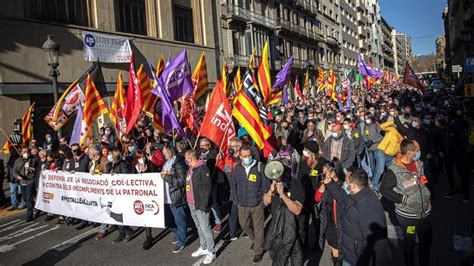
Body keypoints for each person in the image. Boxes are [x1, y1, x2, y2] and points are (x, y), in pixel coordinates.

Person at [380, 139, 432, 266]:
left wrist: (427, 196)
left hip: (425, 213)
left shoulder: (419, 164)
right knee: (410, 243)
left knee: (426, 242)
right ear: (409, 153)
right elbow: (384, 189)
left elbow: (423, 182)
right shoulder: (394, 171)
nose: (419, 152)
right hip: (408, 217)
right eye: (417, 150)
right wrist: (402, 199)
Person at [322, 167, 388, 266]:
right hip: (349, 255)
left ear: (353, 186)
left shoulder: (369, 210)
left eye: (346, 182)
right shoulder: (358, 195)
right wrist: (330, 184)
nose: (345, 184)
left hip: (357, 260)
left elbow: (378, 246)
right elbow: (344, 199)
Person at [263, 160, 305, 265]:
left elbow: (297, 210)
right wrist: (270, 192)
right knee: (278, 259)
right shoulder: (272, 184)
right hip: (278, 231)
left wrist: (283, 194)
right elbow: (265, 202)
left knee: (295, 260)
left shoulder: (296, 185)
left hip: (294, 232)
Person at [232, 146, 268, 263]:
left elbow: (265, 185)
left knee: (259, 228)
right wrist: (236, 201)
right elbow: (234, 186)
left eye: (249, 155)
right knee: (244, 225)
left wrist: (262, 201)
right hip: (242, 204)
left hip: (256, 204)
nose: (248, 158)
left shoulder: (259, 167)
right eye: (245, 156)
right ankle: (256, 239)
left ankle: (258, 250)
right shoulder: (237, 169)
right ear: (240, 156)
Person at [184, 149, 215, 264]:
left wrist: (203, 205)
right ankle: (203, 246)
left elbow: (207, 188)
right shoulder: (190, 168)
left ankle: (211, 251)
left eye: (186, 158)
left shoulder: (202, 168)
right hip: (191, 203)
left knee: (205, 228)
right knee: (198, 226)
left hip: (200, 204)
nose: (185, 160)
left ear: (190, 158)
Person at [296, 140, 327, 251]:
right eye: (304, 149)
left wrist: (321, 185)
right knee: (303, 222)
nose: (304, 152)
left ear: (313, 152)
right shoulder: (303, 161)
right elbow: (299, 176)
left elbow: (326, 177)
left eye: (306, 150)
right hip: (305, 195)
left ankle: (318, 244)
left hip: (316, 196)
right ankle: (305, 244)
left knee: (316, 221)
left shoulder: (322, 162)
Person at [314, 159, 345, 265]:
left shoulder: (342, 186)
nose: (322, 175)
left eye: (324, 172)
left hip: (337, 224)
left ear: (333, 173)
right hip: (327, 222)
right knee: (333, 247)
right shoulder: (326, 184)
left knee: (337, 249)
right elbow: (317, 198)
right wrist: (322, 187)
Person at [160, 146, 188, 253]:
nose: (163, 153)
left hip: (176, 197)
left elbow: (181, 181)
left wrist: (166, 177)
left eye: (164, 151)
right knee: (168, 220)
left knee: (180, 220)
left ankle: (182, 241)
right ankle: (177, 234)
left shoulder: (178, 162)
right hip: (166, 197)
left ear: (170, 151)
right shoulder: (166, 163)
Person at [217, 138, 243, 240]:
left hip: (242, 190)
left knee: (245, 212)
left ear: (238, 148)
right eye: (230, 146)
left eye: (232, 146)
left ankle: (249, 228)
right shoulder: (228, 158)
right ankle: (232, 233)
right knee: (233, 212)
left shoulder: (243, 157)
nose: (229, 148)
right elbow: (225, 170)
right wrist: (219, 160)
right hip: (232, 190)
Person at [106, 148, 134, 244]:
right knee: (115, 212)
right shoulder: (109, 165)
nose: (108, 155)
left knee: (120, 213)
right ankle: (124, 232)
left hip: (120, 192)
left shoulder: (122, 164)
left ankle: (126, 231)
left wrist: (117, 176)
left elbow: (126, 176)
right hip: (112, 193)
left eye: (110, 153)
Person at [198, 138, 223, 233]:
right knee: (203, 204)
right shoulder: (197, 154)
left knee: (213, 204)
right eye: (200, 145)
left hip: (211, 182)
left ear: (209, 146)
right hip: (200, 184)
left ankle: (218, 222)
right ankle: (206, 222)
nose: (202, 147)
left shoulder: (213, 154)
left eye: (204, 145)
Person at [88, 146, 109, 240]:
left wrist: (101, 175)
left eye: (89, 153)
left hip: (104, 190)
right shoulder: (93, 162)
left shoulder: (104, 161)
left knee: (104, 208)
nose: (88, 155)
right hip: (95, 189)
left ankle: (103, 229)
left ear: (93, 154)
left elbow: (108, 175)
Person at [13, 146, 38, 222]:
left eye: (27, 152)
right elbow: (14, 171)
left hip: (30, 181)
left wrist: (32, 168)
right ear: (21, 152)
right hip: (22, 182)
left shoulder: (33, 159)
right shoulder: (17, 161)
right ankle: (35, 206)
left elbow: (35, 167)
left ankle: (29, 216)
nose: (26, 153)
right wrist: (17, 176)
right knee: (24, 198)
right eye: (24, 152)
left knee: (28, 199)